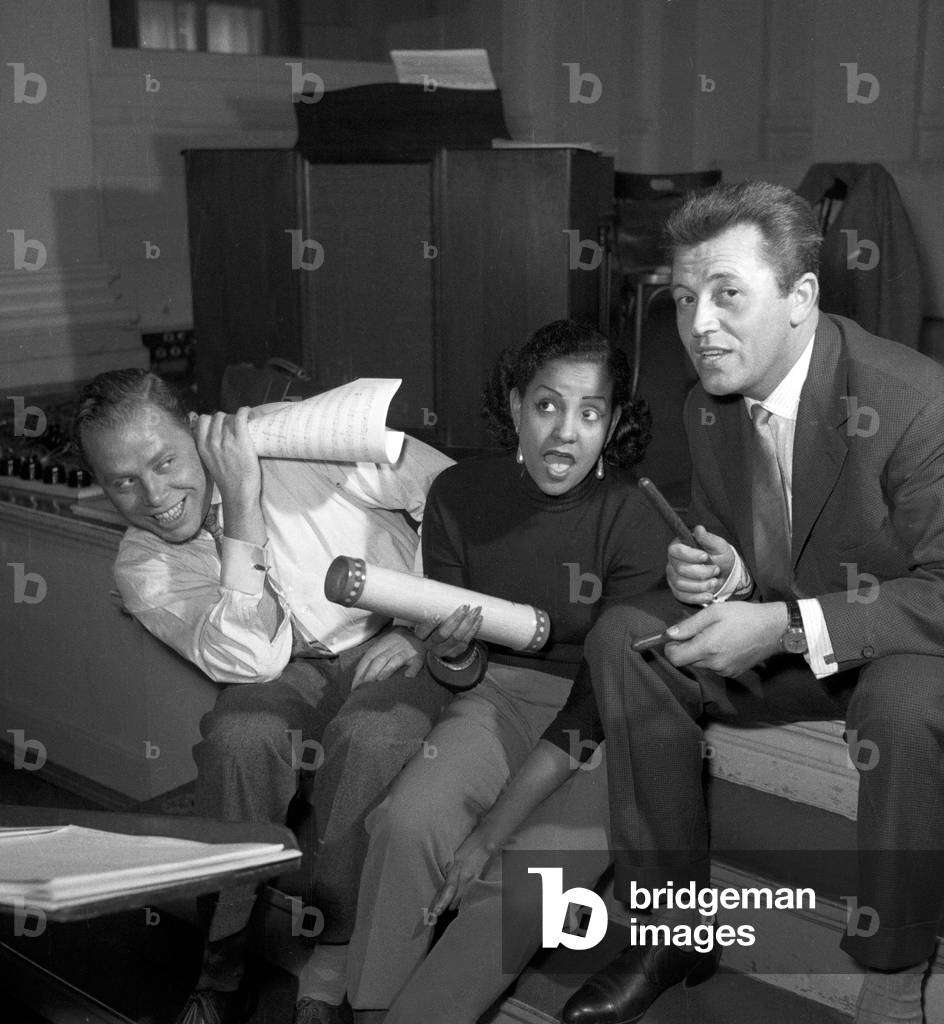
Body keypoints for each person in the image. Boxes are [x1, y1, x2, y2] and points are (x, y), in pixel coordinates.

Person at [560, 181, 944, 1024]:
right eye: (684, 298)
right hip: (793, 633)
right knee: (628, 632)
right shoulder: (709, 406)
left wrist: (780, 623)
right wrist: (723, 573)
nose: (699, 324)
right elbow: (759, 539)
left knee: (911, 701)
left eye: (727, 294)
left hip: (912, 648)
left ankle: (890, 981)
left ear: (801, 298)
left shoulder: (918, 403)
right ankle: (671, 930)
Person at [74, 369, 457, 1024]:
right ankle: (221, 966)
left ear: (196, 429)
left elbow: (449, 489)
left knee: (368, 737)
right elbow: (249, 660)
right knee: (237, 737)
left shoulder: (294, 440)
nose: (155, 495)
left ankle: (334, 955)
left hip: (392, 638)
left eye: (164, 461)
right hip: (283, 667)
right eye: (123, 482)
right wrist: (243, 510)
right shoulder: (143, 564)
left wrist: (419, 617)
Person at [338, 319, 674, 1023]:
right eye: (548, 405)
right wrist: (453, 654)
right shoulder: (460, 494)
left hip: (611, 721)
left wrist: (492, 830)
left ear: (612, 425)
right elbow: (458, 669)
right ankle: (368, 1011)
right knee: (406, 822)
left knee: (525, 884)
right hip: (497, 696)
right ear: (516, 403)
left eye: (590, 413)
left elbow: (591, 707)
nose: (565, 433)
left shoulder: (637, 515)